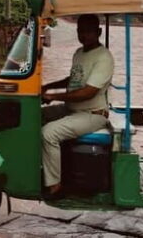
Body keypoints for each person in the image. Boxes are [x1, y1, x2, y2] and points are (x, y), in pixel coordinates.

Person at [41, 14, 114, 198]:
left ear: (98, 32)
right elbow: (72, 80)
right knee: (35, 116)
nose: (84, 35)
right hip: (72, 109)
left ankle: (55, 186)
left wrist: (53, 96)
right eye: (81, 30)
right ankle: (43, 166)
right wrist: (46, 87)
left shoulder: (104, 57)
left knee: (49, 133)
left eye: (89, 31)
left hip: (92, 114)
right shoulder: (79, 53)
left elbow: (88, 92)